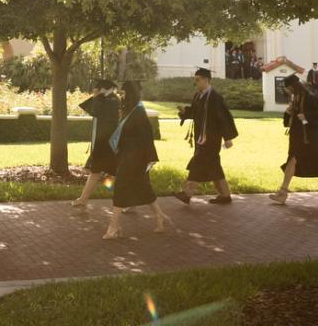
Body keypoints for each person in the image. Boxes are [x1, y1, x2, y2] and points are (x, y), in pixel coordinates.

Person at [103, 81, 170, 239]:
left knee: (120, 186)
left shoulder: (139, 112)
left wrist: (150, 159)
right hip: (127, 154)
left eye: (124, 93)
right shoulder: (130, 110)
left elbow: (148, 137)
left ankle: (113, 227)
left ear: (131, 94)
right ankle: (160, 216)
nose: (121, 95)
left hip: (136, 157)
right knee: (144, 188)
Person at [269, 74, 318, 206]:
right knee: (292, 161)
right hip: (299, 139)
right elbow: (290, 122)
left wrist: (306, 117)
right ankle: (282, 193)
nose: (288, 91)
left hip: (312, 139)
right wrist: (288, 113)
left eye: (289, 88)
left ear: (294, 86)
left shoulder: (310, 98)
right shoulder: (297, 99)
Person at [174, 68, 238, 206]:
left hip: (212, 139)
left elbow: (224, 118)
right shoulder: (198, 96)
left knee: (197, 163)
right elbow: (196, 113)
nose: (195, 82)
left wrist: (228, 138)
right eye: (195, 80)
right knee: (214, 167)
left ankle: (187, 193)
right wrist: (185, 111)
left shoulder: (215, 98)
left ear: (206, 80)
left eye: (198, 80)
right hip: (201, 138)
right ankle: (225, 195)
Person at [72, 78, 121, 208]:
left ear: (104, 89)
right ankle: (83, 199)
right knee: (96, 172)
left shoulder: (113, 101)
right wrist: (98, 96)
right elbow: (91, 109)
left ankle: (127, 200)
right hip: (102, 145)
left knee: (114, 174)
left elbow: (97, 111)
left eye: (97, 89)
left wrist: (98, 97)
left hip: (109, 145)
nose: (94, 91)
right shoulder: (106, 100)